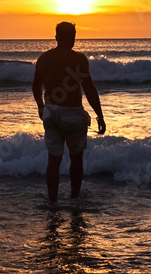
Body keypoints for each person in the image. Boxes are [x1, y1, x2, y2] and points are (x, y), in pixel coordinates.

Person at [32, 21, 105, 203]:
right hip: (72, 114)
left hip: (50, 112)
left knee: (53, 160)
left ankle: (53, 201)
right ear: (73, 38)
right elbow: (89, 89)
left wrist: (41, 106)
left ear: (56, 37)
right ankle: (74, 198)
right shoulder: (78, 59)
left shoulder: (43, 58)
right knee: (76, 158)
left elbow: (35, 86)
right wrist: (100, 116)